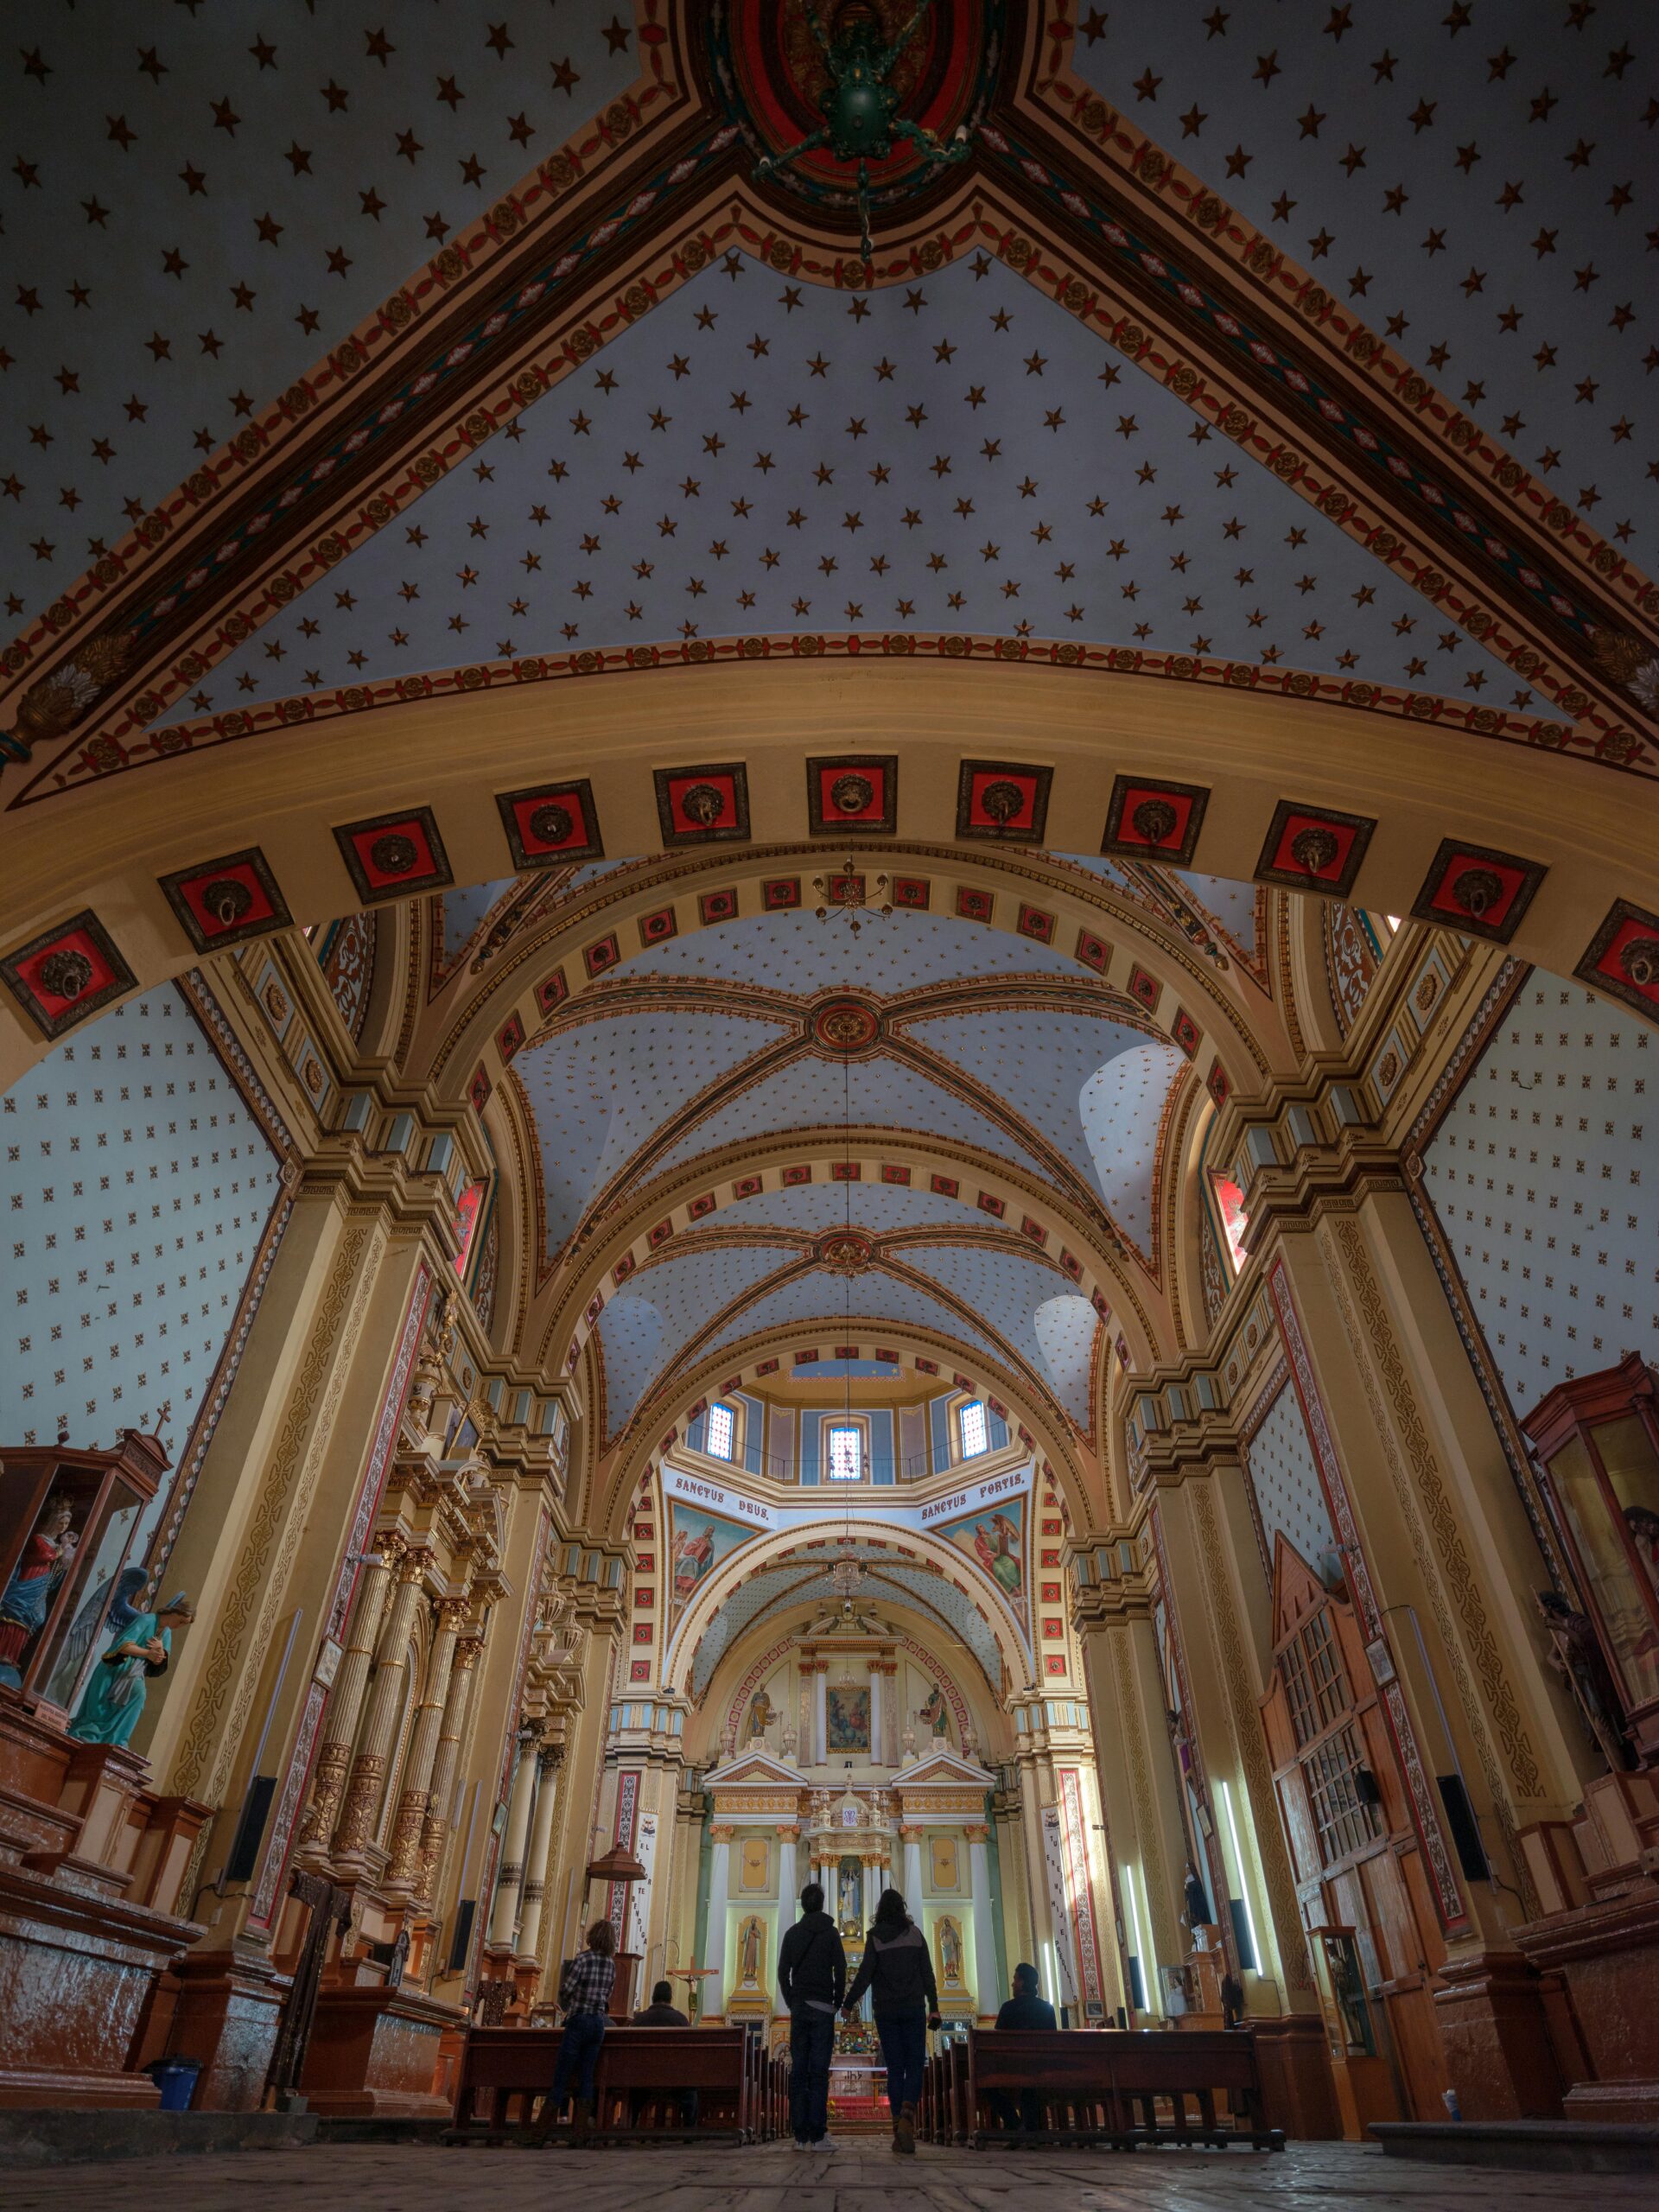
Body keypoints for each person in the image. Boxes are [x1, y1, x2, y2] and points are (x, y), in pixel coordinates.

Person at [842, 1886, 940, 2158]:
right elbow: (928, 1974)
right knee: (915, 2066)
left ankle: (899, 2125)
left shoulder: (874, 1937)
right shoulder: (916, 1935)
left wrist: (848, 2003)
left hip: (886, 2011)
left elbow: (864, 1975)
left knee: (895, 2069)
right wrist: (935, 2007)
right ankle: (908, 2118)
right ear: (903, 1908)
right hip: (912, 2008)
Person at [68, 1591, 194, 1746]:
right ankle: (92, 1733)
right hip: (115, 1668)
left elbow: (160, 1661)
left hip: (134, 1672)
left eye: (184, 1625)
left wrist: (160, 1654)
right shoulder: (146, 1620)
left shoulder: (166, 1633)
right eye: (181, 1621)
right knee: (100, 1711)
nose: (180, 1626)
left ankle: (118, 1740)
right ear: (174, 1612)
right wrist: (148, 1653)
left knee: (139, 1695)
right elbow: (122, 1645)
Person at [778, 1880, 847, 2152]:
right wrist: (838, 2001)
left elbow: (782, 1972)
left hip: (800, 2007)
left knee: (799, 2071)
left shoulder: (792, 1934)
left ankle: (800, 2136)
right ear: (821, 1903)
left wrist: (791, 2000)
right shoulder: (831, 1934)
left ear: (804, 1904)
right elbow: (841, 1970)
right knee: (818, 2073)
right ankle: (818, 2136)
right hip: (823, 2009)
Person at [548, 1918, 616, 2145]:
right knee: (587, 2076)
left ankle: (541, 2130)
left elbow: (566, 1989)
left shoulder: (583, 1958)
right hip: (598, 2024)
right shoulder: (611, 1964)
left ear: (592, 1936)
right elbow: (608, 1995)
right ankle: (579, 2133)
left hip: (578, 2021)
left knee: (562, 2074)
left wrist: (574, 1997)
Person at [990, 1962, 1057, 2134]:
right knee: (1030, 2081)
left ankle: (1015, 2124)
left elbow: (997, 2042)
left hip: (1013, 2069)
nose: (1013, 1983)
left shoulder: (1008, 2008)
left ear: (1023, 1982)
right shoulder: (1047, 2009)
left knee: (986, 2084)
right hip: (1044, 2068)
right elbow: (1053, 2041)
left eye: (1015, 1979)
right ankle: (1029, 2129)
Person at [629, 1979, 697, 2133]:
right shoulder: (680, 2020)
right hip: (675, 2080)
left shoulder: (639, 2020)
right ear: (670, 1997)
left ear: (653, 1996)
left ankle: (629, 2125)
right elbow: (688, 2054)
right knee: (691, 2090)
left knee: (634, 2093)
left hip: (641, 2079)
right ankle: (689, 2131)